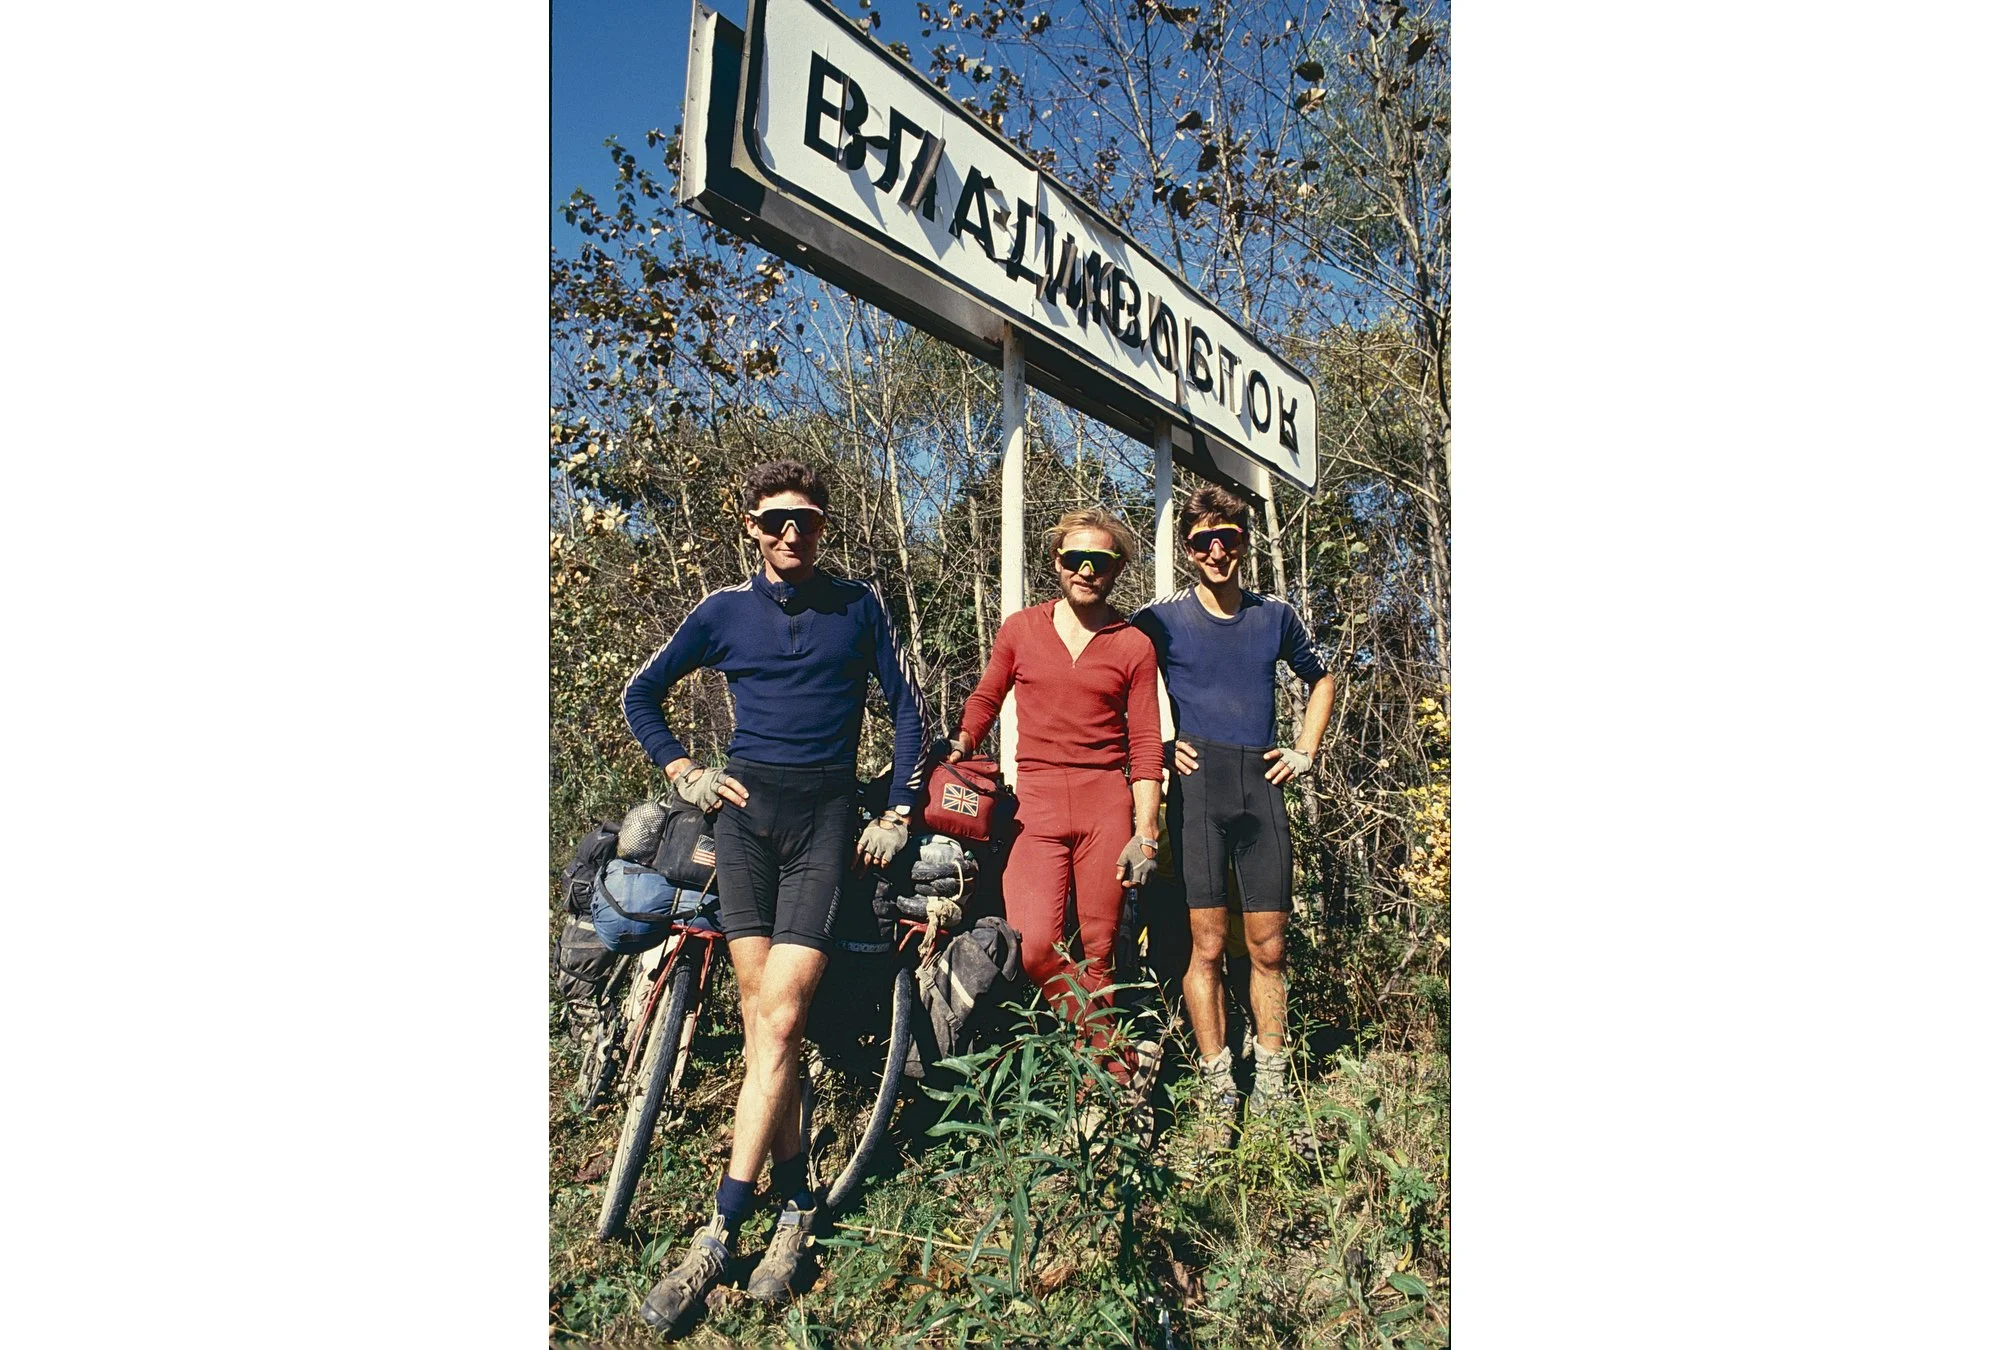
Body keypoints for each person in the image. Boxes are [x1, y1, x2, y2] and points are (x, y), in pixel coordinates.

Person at [620, 460, 930, 1327]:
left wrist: (900, 807)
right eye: (776, 521)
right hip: (745, 821)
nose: (792, 533)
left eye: (808, 520)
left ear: (824, 526)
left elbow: (908, 711)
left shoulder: (858, 605)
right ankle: (794, 1204)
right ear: (752, 526)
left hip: (826, 820)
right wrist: (683, 770)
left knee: (783, 1020)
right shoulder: (721, 612)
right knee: (767, 1025)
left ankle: (716, 1232)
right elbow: (640, 694)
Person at [1132, 483, 1336, 1123]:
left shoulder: (1273, 616)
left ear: (1244, 542)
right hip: (1197, 792)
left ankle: (1273, 1086)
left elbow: (1322, 677)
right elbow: (1116, 678)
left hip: (1262, 788)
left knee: (1270, 946)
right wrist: (1158, 748)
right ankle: (1220, 1085)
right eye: (1203, 542)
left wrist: (1304, 749)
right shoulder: (1161, 619)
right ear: (1188, 550)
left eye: (1229, 538)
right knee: (1208, 947)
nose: (1217, 551)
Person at [947, 507, 1164, 1051]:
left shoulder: (1133, 644)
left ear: (1117, 569)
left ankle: (1099, 1091)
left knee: (1099, 948)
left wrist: (1146, 832)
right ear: (1056, 563)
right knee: (1036, 944)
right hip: (1036, 804)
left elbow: (1144, 746)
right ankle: (1114, 1058)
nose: (1086, 570)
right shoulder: (1022, 629)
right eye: (1075, 558)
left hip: (1105, 807)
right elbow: (987, 697)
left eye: (1101, 560)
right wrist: (961, 743)